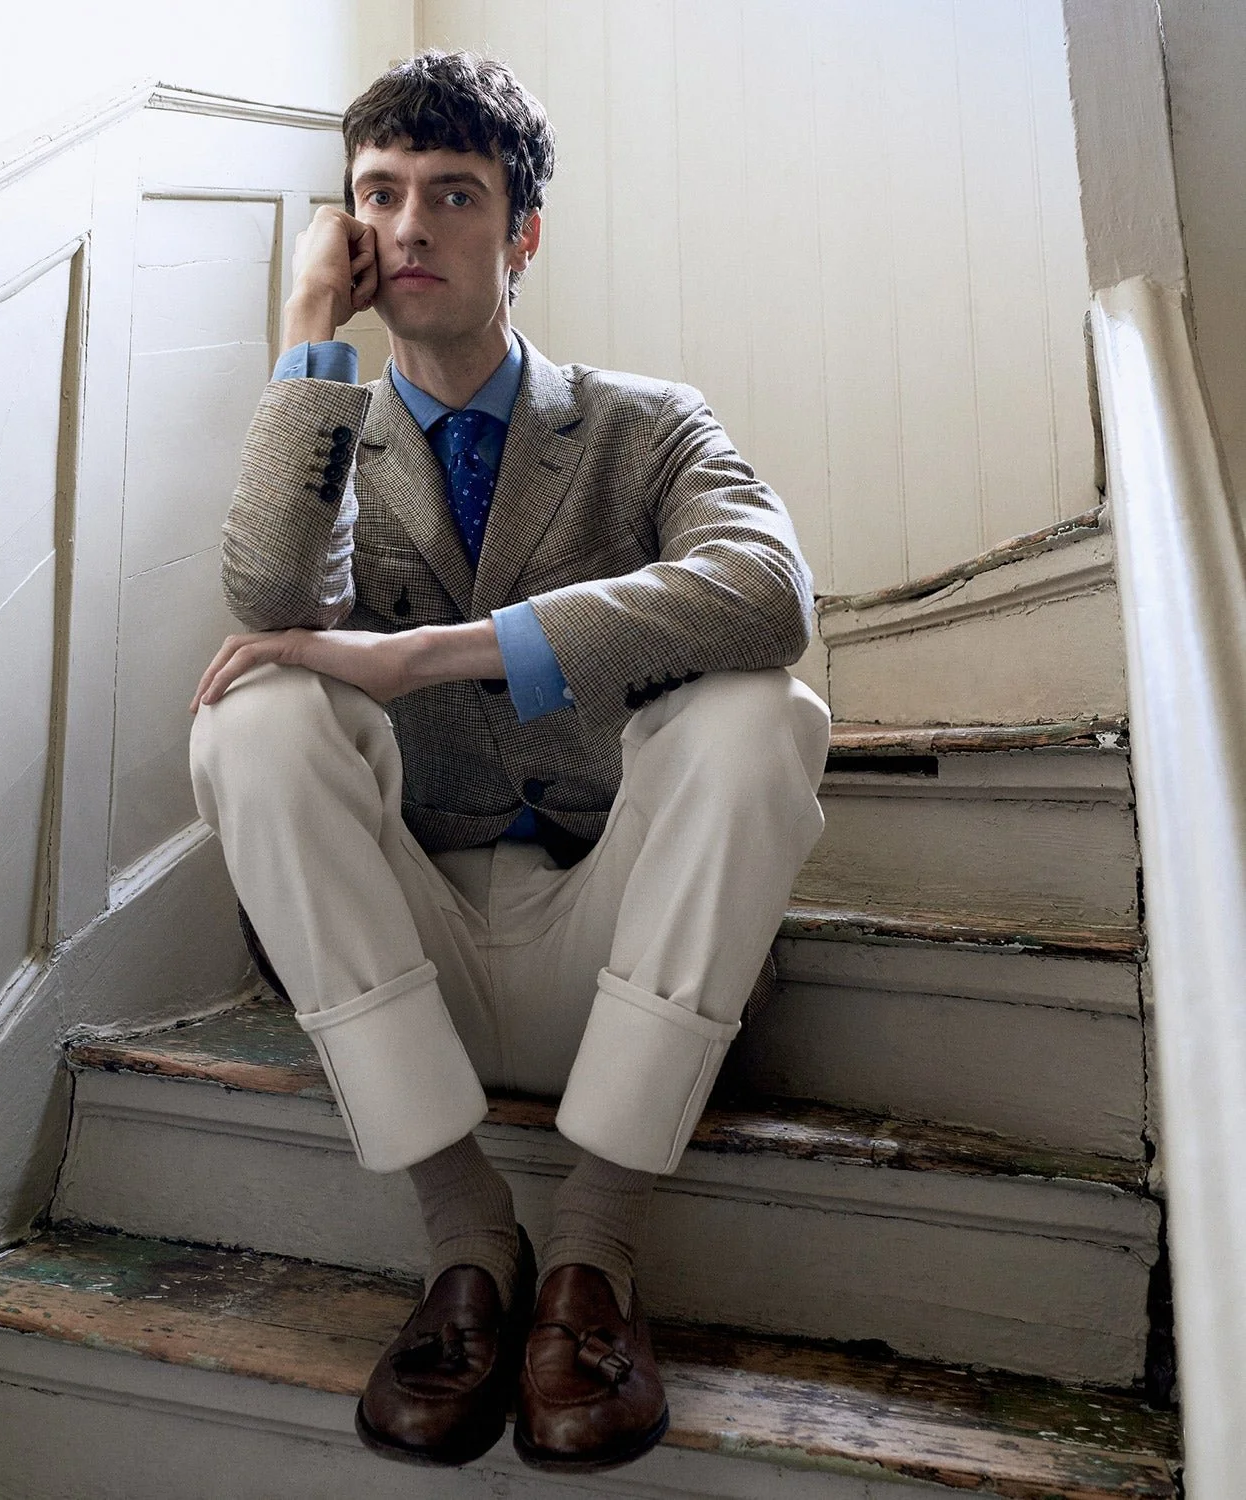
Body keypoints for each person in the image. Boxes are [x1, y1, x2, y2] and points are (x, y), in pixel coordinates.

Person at [188, 49, 829, 1474]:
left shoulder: (644, 425)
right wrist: (307, 340)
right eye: (381, 196)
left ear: (520, 234)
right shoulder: (331, 442)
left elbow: (769, 594)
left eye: (454, 196)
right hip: (401, 959)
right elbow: (272, 603)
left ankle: (595, 1253)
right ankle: (465, 1237)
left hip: (623, 947)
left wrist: (428, 653)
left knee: (761, 713)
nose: (411, 227)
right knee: (253, 711)